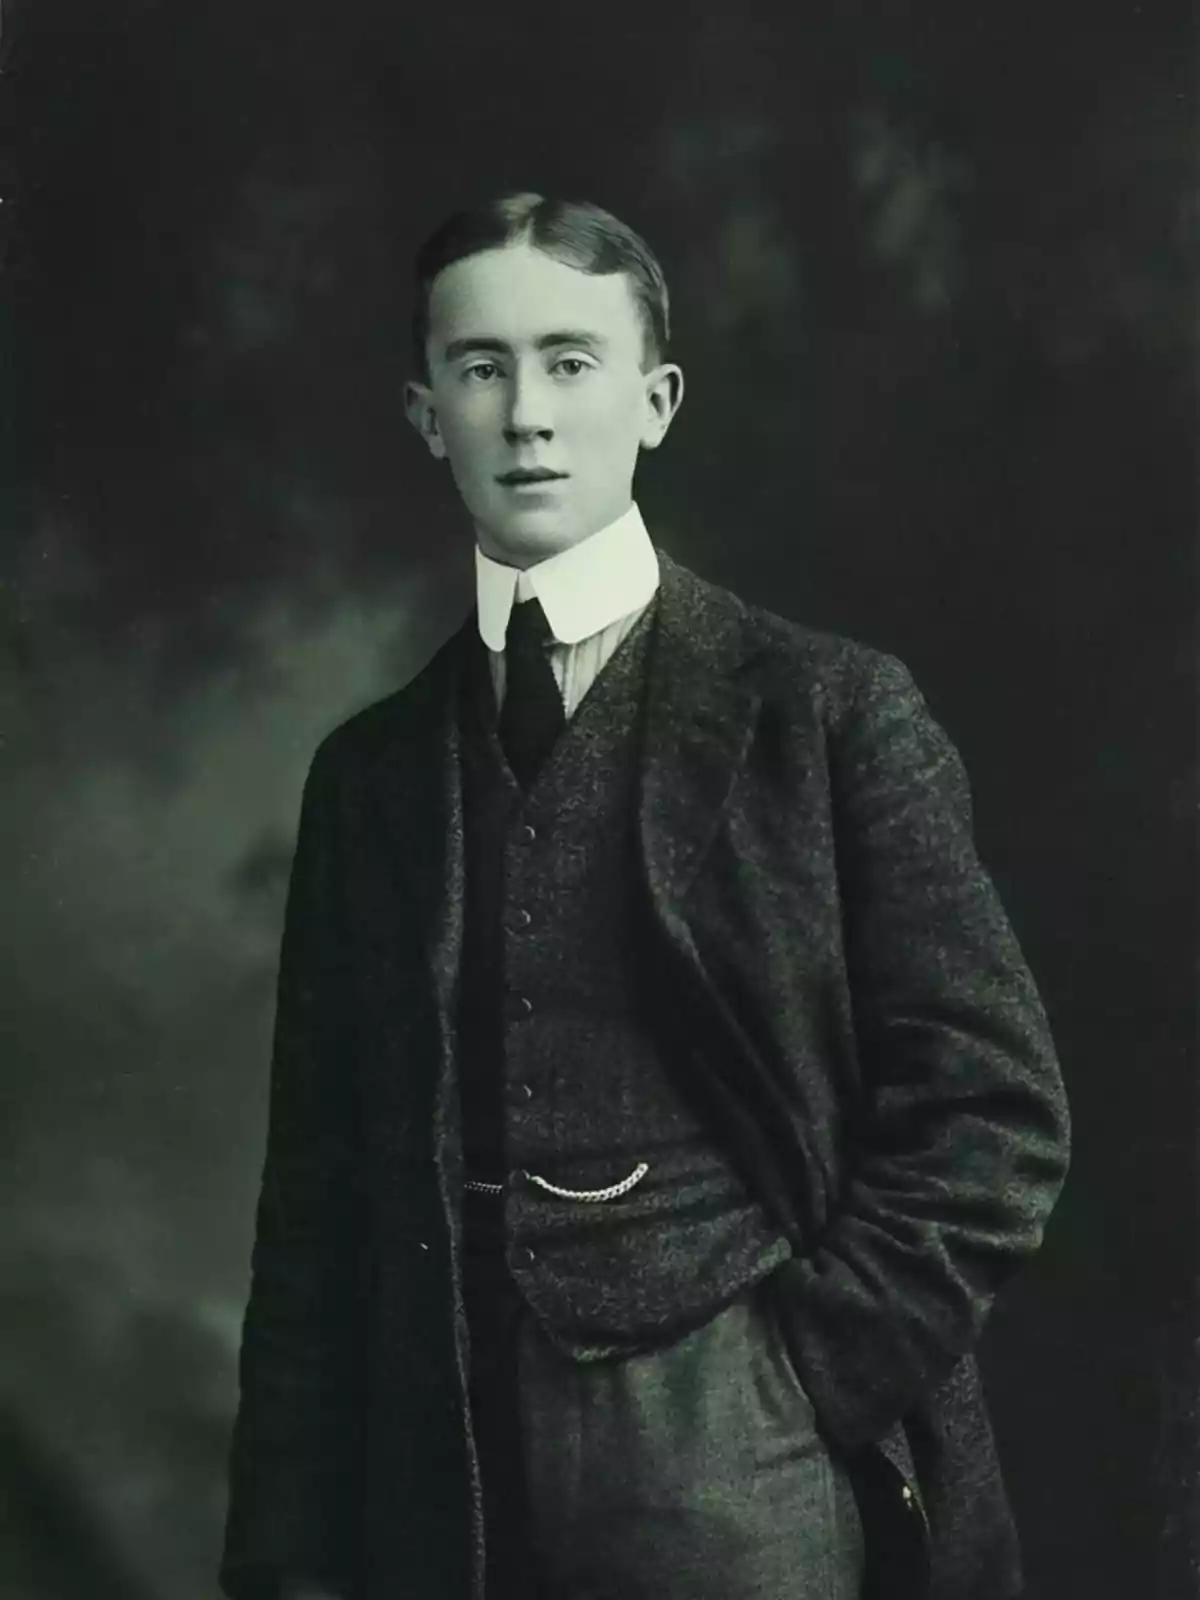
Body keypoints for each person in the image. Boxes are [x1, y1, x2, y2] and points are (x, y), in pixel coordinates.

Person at [218, 192, 1071, 1600]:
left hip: (730, 1454)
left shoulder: (827, 712)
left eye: (571, 362)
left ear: (657, 400)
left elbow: (995, 1112)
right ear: (427, 413)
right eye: (481, 368)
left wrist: (794, 1377)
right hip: (437, 1456)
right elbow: (310, 1204)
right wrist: (289, 1553)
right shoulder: (367, 777)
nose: (527, 414)